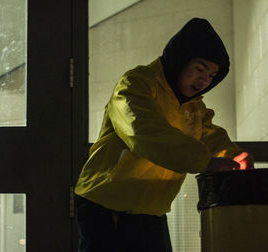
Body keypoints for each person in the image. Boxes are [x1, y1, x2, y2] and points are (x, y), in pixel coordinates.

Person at [74, 17, 254, 252]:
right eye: (200, 69)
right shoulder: (135, 85)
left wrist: (234, 155)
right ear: (180, 59)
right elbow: (145, 132)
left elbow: (209, 136)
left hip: (151, 209)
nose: (204, 80)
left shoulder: (194, 107)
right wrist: (205, 161)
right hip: (107, 204)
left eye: (211, 76)